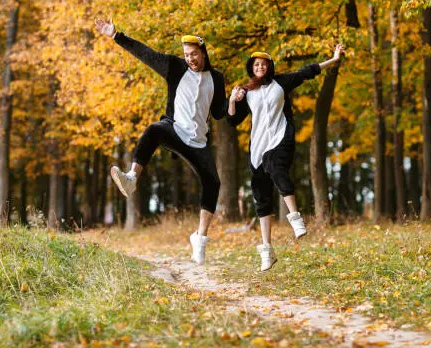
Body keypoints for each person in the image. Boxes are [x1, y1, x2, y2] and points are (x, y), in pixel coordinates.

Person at [95, 18, 227, 264]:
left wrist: (235, 101)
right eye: (187, 55)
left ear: (203, 53)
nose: (190, 59)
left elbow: (219, 112)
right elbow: (146, 54)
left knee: (213, 182)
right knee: (154, 129)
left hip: (198, 141)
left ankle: (200, 237)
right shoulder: (175, 67)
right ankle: (132, 178)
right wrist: (116, 36)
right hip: (175, 129)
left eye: (194, 54)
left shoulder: (217, 79)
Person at [227, 44, 344, 271]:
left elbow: (307, 71)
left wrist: (333, 59)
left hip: (280, 139)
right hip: (257, 148)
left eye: (264, 64)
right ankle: (267, 251)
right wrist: (233, 99)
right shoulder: (247, 92)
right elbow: (232, 121)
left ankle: (295, 218)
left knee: (276, 168)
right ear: (252, 68)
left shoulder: (281, 82)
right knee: (261, 198)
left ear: (270, 67)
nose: (260, 67)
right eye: (256, 64)